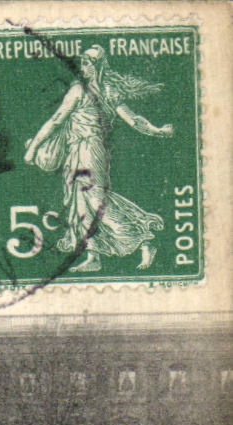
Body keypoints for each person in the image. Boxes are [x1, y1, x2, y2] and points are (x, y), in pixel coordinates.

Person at [22, 45, 173, 272]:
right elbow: (58, 120)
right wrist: (157, 131)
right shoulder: (92, 90)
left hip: (90, 150)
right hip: (78, 150)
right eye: (82, 62)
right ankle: (93, 256)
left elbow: (57, 120)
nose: (82, 66)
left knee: (95, 200)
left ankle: (142, 239)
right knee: (81, 202)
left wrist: (33, 149)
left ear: (98, 66)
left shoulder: (88, 91)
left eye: (87, 63)